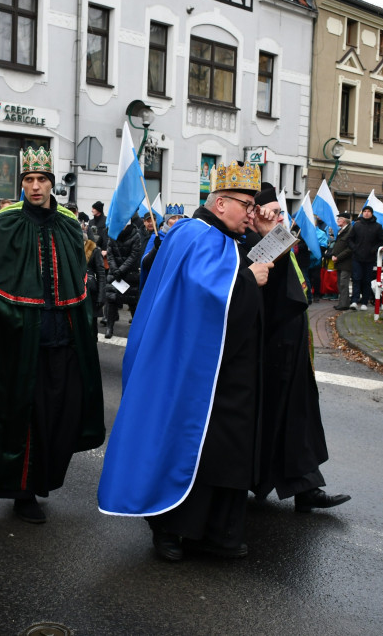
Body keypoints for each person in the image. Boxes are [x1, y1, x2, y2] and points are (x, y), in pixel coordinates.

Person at [98, 162, 271, 561]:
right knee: (184, 443)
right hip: (192, 367)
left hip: (229, 370)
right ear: (221, 201)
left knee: (225, 451)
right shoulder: (195, 234)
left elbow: (256, 267)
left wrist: (267, 233)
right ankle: (171, 530)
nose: (251, 211)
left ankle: (217, 533)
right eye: (247, 204)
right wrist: (249, 279)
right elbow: (206, 295)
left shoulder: (229, 236)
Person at [0, 147, 105, 524]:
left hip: (62, 338)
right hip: (20, 341)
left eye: (41, 180)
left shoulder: (66, 223)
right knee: (24, 418)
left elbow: (77, 280)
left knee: (58, 414)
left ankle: (43, 478)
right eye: (28, 180)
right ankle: (22, 492)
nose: (34, 186)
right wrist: (11, 320)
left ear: (51, 184)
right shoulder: (4, 223)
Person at [246, 185, 351, 513]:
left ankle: (307, 488)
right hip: (268, 352)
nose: (281, 218)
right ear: (256, 215)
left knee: (299, 421)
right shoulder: (249, 244)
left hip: (294, 350)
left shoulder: (275, 239)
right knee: (271, 423)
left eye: (281, 212)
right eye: (274, 212)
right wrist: (269, 232)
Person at [101, 216, 143, 339]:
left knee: (133, 303)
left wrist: (121, 270)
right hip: (115, 274)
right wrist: (114, 270)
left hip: (130, 274)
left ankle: (137, 329)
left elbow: (134, 254)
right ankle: (109, 328)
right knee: (111, 302)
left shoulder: (136, 235)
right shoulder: (112, 234)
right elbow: (110, 253)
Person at [349, 205, 383, 310]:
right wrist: (354, 248)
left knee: (367, 280)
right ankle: (354, 300)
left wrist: (374, 249)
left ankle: (365, 302)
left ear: (372, 213)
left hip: (369, 258)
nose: (366, 213)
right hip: (357, 257)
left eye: (369, 211)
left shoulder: (377, 226)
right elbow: (350, 239)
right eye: (365, 211)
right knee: (356, 279)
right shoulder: (357, 226)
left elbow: (382, 241)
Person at [332, 212, 354, 310]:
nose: (337, 221)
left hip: (346, 262)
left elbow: (350, 248)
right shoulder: (341, 230)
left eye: (339, 219)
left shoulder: (350, 231)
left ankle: (344, 304)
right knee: (340, 283)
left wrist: (338, 257)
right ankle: (342, 303)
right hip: (340, 262)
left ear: (344, 220)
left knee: (343, 283)